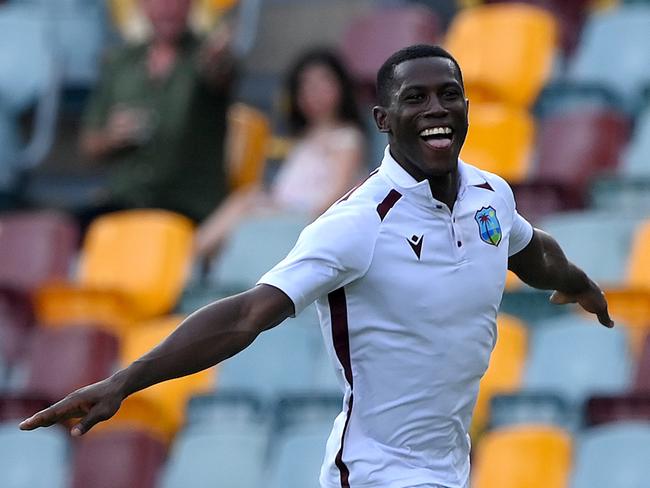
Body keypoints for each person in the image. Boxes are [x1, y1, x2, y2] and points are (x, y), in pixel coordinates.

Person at [20, 45, 613, 488]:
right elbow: (249, 313)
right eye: (416, 98)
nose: (438, 110)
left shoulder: (490, 194)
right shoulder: (358, 222)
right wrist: (127, 380)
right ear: (382, 119)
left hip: (448, 468)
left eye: (450, 94)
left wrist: (579, 284)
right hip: (376, 473)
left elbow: (529, 250)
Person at [193, 48, 365, 258]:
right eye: (307, 85)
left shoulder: (346, 138)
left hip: (307, 220)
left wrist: (281, 209)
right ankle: (193, 257)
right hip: (285, 212)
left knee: (246, 203)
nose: (315, 93)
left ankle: (190, 255)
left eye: (323, 83)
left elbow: (337, 195)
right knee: (248, 199)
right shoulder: (305, 137)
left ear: (341, 86)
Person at [79, 0, 235, 224]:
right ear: (143, 6)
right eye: (159, 1)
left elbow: (221, 75)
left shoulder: (204, 56)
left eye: (176, 2)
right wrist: (111, 138)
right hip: (126, 202)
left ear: (191, 6)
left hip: (187, 209)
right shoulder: (120, 62)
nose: (168, 8)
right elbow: (89, 145)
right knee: (69, 231)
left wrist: (219, 58)